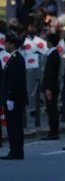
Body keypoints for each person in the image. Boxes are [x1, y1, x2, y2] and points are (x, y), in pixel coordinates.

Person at [0, 32, 27, 160]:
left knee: (14, 125)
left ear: (12, 44)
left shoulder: (16, 59)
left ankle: (16, 150)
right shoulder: (14, 58)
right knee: (14, 125)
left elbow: (14, 80)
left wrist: (10, 97)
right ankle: (16, 150)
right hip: (14, 98)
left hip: (14, 98)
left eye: (7, 43)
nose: (5, 45)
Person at [41, 32, 61, 141]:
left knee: (52, 109)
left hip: (51, 87)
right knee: (50, 109)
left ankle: (54, 131)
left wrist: (48, 88)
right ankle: (52, 131)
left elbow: (51, 73)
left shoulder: (54, 54)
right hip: (50, 86)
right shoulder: (51, 54)